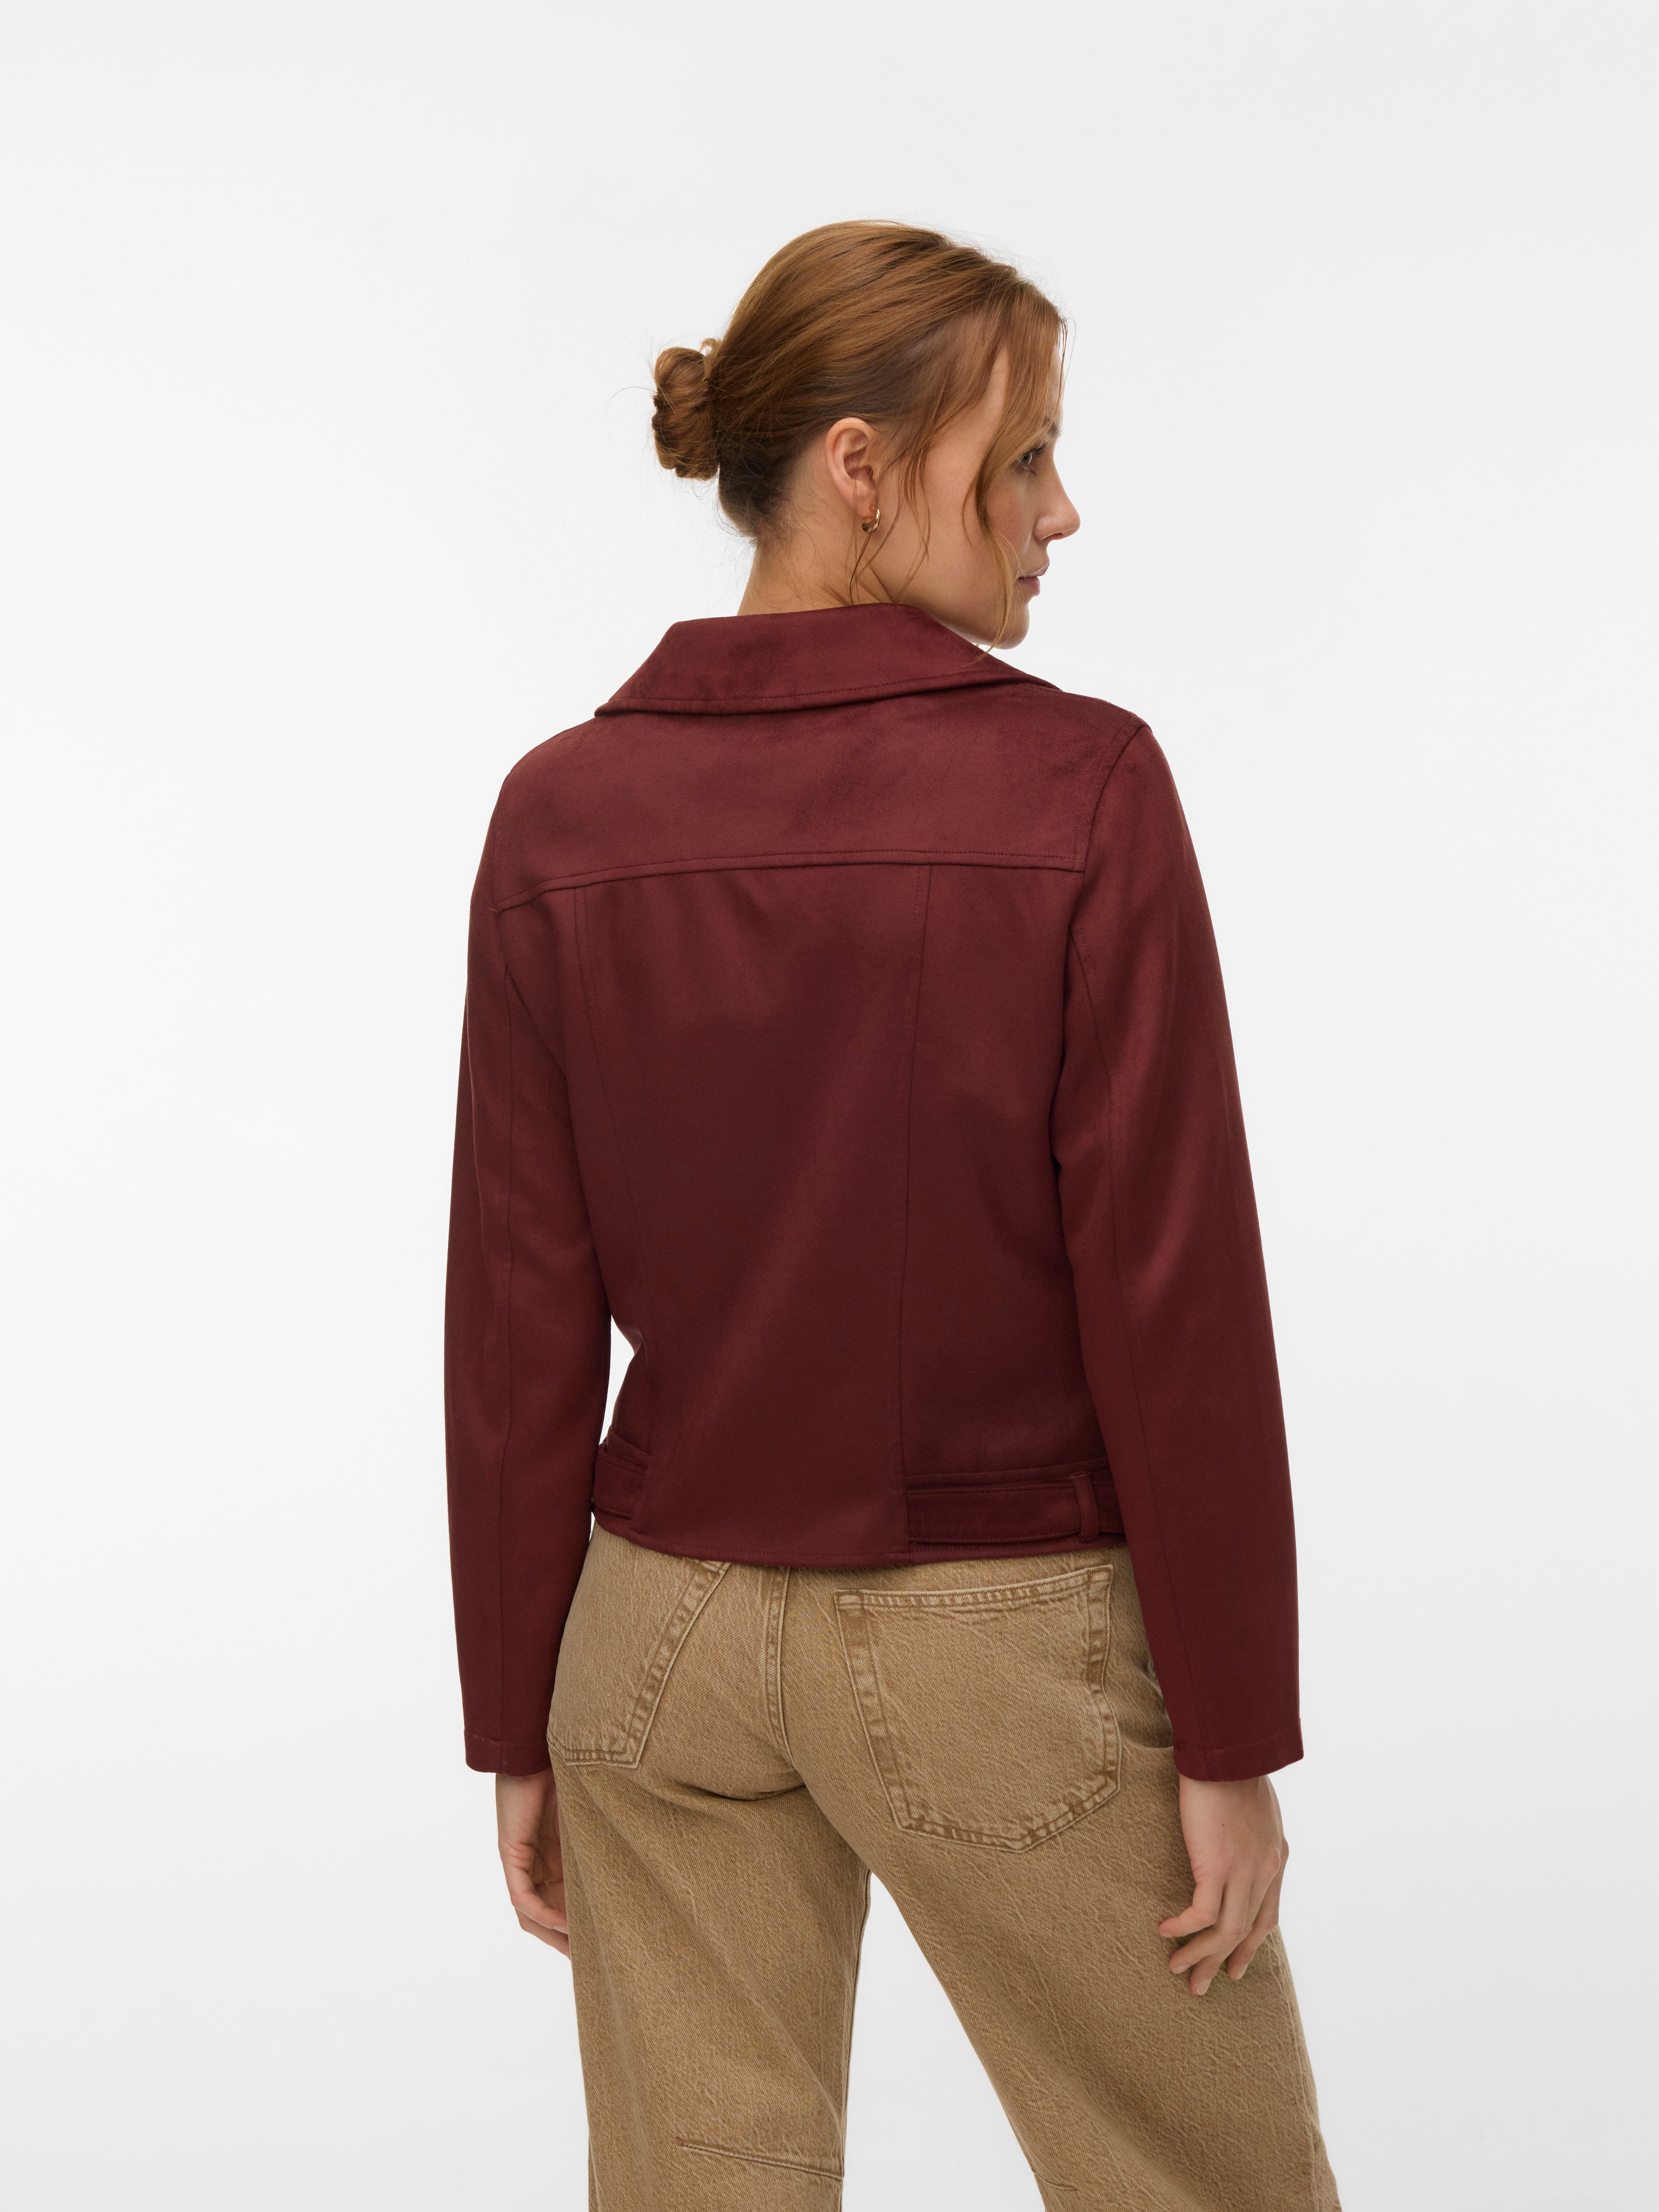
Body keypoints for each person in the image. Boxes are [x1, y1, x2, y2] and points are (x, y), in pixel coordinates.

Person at [444, 220, 1341, 2211]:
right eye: (1021, 459)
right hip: (996, 1636)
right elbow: (1172, 1297)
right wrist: (1231, 1731)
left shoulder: (558, 812)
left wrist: (520, 1711)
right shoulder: (1081, 788)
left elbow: (515, 1310)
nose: (1059, 512)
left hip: (652, 1642)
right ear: (860, 467)